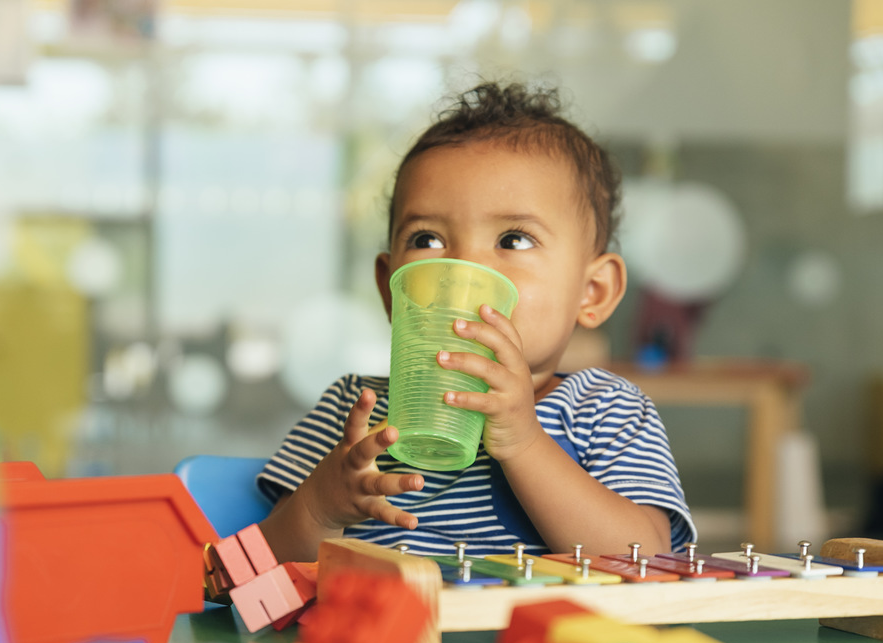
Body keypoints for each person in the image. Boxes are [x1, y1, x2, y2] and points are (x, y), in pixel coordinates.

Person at [257, 81, 696, 564]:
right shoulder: (352, 409)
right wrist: (320, 509)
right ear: (391, 287)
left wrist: (526, 443)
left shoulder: (605, 411)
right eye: (426, 239)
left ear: (593, 292)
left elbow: (648, 558)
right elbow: (253, 570)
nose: (463, 272)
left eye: (513, 240)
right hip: (369, 635)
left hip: (541, 636)